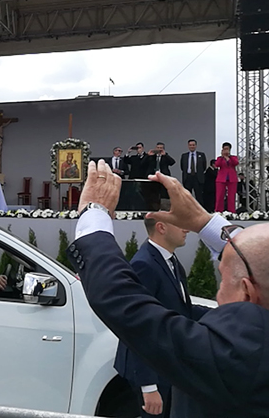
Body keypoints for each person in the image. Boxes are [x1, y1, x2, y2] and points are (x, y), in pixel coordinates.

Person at [66, 161, 269, 417]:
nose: (218, 295)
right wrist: (204, 222)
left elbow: (128, 307)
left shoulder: (239, 358)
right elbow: (255, 259)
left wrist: (93, 214)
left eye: (223, 280)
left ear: (246, 292)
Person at [113, 217, 210, 418]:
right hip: (153, 371)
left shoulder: (171, 261)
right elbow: (137, 325)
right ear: (161, 227)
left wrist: (226, 312)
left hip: (167, 365)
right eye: (179, 223)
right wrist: (148, 386)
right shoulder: (144, 265)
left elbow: (181, 309)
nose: (187, 228)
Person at [179, 139, 206, 206]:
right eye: (190, 145)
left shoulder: (201, 155)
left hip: (198, 178)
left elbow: (204, 166)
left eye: (193, 145)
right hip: (188, 178)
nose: (192, 146)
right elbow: (182, 167)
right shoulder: (184, 156)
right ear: (188, 146)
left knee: (199, 196)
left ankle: (200, 212)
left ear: (196, 146)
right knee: (187, 196)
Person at [214, 142, 239, 213]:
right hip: (221, 179)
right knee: (219, 196)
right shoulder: (220, 158)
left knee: (231, 196)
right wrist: (223, 157)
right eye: (224, 149)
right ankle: (218, 211)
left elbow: (236, 163)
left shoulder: (233, 157)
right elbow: (217, 164)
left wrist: (228, 158)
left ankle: (231, 211)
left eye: (227, 149)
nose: (226, 151)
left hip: (232, 178)